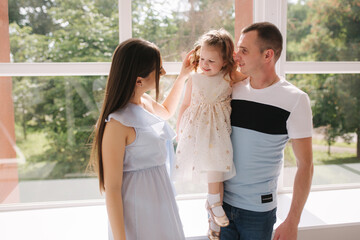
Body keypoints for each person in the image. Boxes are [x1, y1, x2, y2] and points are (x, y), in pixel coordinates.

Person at [90, 38, 194, 240]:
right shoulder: (118, 124)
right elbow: (112, 189)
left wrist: (183, 76)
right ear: (139, 80)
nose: (163, 73)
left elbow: (165, 112)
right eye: (159, 69)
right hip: (138, 210)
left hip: (161, 202)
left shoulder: (144, 102)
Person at [221, 22, 314, 240]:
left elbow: (306, 166)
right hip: (221, 206)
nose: (236, 56)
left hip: (258, 213)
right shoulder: (232, 90)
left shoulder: (295, 99)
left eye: (244, 50)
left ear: (267, 55)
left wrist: (292, 221)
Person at [174, 29, 246, 240]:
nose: (204, 64)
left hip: (218, 132)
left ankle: (213, 219)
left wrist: (238, 59)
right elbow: (185, 104)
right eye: (202, 58)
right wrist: (180, 130)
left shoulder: (229, 77)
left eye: (211, 61)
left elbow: (250, 75)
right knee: (214, 170)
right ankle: (213, 204)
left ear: (225, 61)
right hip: (197, 132)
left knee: (218, 173)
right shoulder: (194, 78)